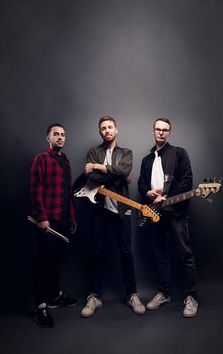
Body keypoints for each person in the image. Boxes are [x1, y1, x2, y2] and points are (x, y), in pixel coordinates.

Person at [75, 116, 145, 317]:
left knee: (126, 253)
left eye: (110, 127)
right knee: (97, 252)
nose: (107, 130)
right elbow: (92, 178)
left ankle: (132, 294)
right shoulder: (93, 152)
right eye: (103, 128)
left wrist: (97, 167)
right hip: (99, 210)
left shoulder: (127, 153)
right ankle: (94, 296)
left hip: (122, 209)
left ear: (116, 130)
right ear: (100, 132)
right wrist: (117, 175)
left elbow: (123, 169)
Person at [138, 117, 198, 317]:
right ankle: (164, 293)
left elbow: (187, 181)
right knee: (160, 254)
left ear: (169, 133)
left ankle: (191, 296)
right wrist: (148, 192)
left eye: (165, 130)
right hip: (154, 214)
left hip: (175, 211)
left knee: (185, 253)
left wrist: (166, 197)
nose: (161, 132)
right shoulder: (146, 160)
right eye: (158, 129)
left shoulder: (179, 153)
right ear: (153, 131)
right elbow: (141, 184)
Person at [30, 123, 78, 328]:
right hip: (47, 220)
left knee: (57, 261)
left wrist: (72, 218)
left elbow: (68, 193)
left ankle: (55, 297)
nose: (60, 137)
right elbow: (35, 189)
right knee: (43, 263)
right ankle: (40, 306)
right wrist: (41, 217)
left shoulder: (65, 162)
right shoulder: (41, 159)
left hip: (63, 221)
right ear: (47, 138)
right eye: (56, 134)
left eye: (63, 135)